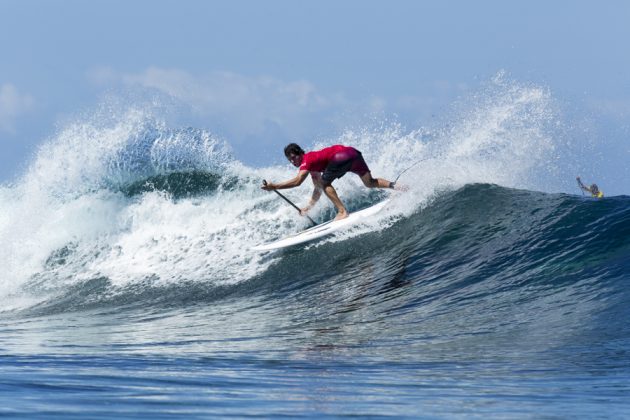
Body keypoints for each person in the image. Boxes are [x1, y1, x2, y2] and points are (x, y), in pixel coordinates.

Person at [262, 143, 399, 220]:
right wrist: (308, 208)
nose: (293, 162)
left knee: (325, 183)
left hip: (340, 157)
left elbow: (297, 181)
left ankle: (342, 211)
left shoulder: (306, 160)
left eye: (294, 158)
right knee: (369, 182)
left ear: (300, 154)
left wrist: (274, 186)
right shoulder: (313, 165)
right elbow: (318, 189)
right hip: (353, 153)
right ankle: (398, 186)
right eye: (290, 160)